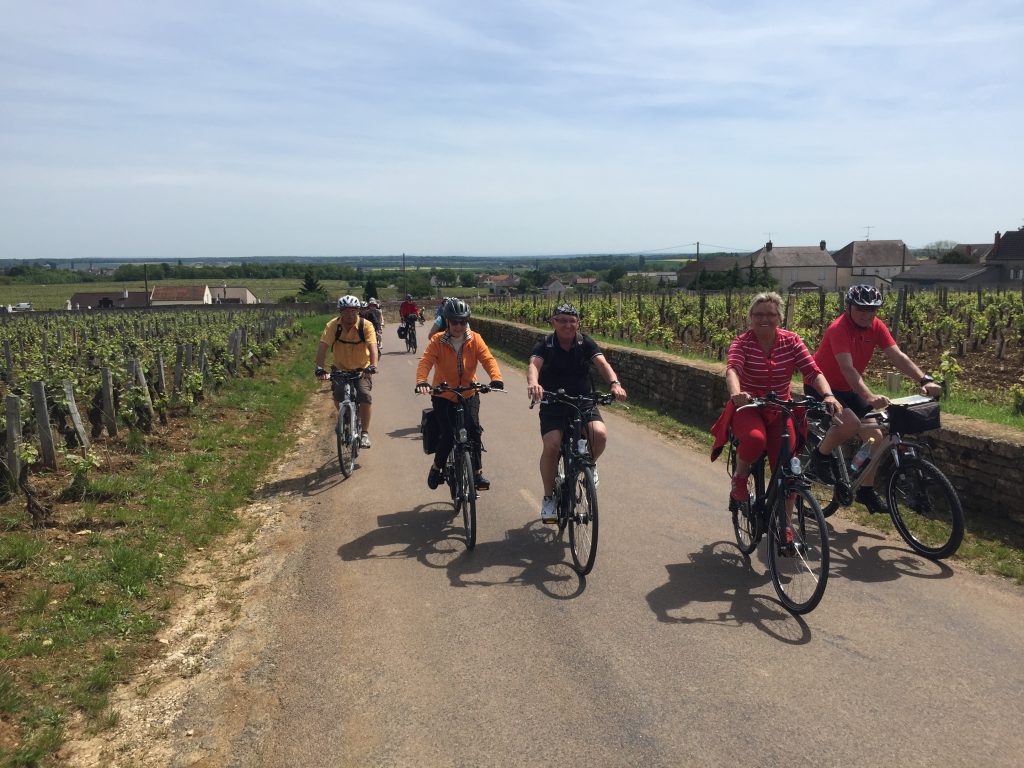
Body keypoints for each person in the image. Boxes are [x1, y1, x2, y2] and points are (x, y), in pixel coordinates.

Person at [806, 284, 943, 513]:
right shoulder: (838, 329)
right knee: (850, 424)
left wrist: (924, 380)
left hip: (849, 389)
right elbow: (847, 369)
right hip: (823, 388)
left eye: (872, 310)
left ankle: (866, 491)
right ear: (849, 307)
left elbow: (897, 356)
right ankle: (820, 456)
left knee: (876, 437)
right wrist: (869, 395)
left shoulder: (876, 326)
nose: (866, 315)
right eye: (861, 309)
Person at [720, 292, 842, 539]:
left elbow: (812, 371)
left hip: (781, 407)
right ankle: (740, 478)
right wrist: (737, 394)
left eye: (771, 314)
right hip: (750, 406)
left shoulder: (791, 340)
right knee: (754, 440)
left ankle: (785, 525)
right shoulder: (742, 342)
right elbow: (733, 369)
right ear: (750, 318)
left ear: (779, 317)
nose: (765, 318)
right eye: (759, 314)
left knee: (788, 470)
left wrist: (828, 395)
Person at [526, 303, 627, 524]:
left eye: (572, 321)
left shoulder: (585, 342)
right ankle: (549, 498)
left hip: (583, 401)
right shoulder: (546, 344)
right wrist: (534, 384)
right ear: (553, 322)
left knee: (599, 434)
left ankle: (588, 464)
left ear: (577, 323)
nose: (568, 325)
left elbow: (602, 363)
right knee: (552, 445)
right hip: (553, 402)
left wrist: (615, 383)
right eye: (562, 320)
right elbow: (534, 365)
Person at [415, 299, 503, 491]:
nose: (458, 326)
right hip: (443, 393)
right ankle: (437, 468)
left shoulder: (475, 339)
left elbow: (487, 359)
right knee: (447, 433)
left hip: (469, 392)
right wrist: (422, 380)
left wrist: (496, 378)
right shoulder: (437, 341)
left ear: (467, 322)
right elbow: (426, 361)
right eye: (454, 322)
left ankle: (478, 473)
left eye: (462, 322)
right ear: (447, 321)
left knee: (474, 430)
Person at [315, 294, 379, 449]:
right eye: (346, 311)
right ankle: (345, 416)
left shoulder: (366, 325)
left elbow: (372, 347)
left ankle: (364, 433)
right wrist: (319, 367)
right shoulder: (333, 326)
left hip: (362, 368)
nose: (350, 315)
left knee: (364, 395)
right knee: (337, 395)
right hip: (340, 368)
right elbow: (323, 347)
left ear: (358, 311)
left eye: (353, 311)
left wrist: (373, 365)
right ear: (340, 312)